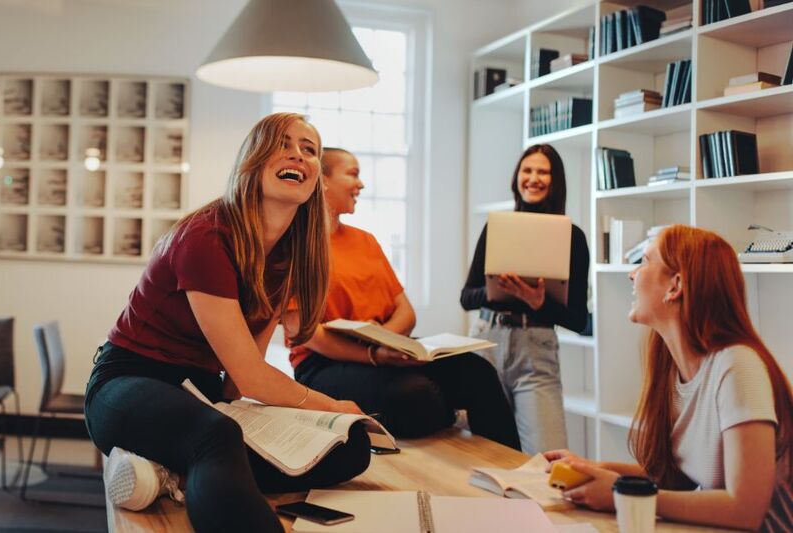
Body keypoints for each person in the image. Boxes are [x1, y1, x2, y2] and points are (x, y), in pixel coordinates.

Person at [84, 113, 371, 533]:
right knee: (217, 436)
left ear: (315, 183)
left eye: (309, 149)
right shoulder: (206, 237)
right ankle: (189, 468)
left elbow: (236, 386)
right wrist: (331, 405)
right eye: (282, 144)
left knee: (350, 446)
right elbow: (252, 377)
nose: (297, 154)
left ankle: (169, 475)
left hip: (201, 393)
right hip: (127, 381)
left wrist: (310, 424)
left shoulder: (288, 256)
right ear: (253, 161)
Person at [543, 225, 793, 531]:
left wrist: (622, 493)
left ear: (675, 286)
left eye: (645, 261)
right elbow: (676, 477)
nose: (632, 274)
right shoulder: (673, 367)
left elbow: (745, 509)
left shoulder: (738, 366)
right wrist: (593, 468)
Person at [283, 147, 520, 448]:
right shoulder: (294, 245)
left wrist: (383, 341)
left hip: (384, 350)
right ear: (323, 181)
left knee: (478, 370)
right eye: (353, 174)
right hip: (323, 364)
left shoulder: (365, 241)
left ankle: (514, 476)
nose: (361, 184)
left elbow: (405, 312)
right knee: (414, 395)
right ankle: (444, 412)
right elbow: (307, 334)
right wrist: (372, 354)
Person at [460, 144, 590, 454]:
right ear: (517, 177)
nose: (533, 178)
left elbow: (578, 319)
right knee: (481, 452)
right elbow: (467, 297)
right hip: (486, 343)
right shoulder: (496, 228)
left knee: (547, 458)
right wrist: (498, 291)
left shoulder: (573, 237)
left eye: (543, 171)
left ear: (556, 180)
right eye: (527, 170)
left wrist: (538, 302)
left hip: (536, 350)